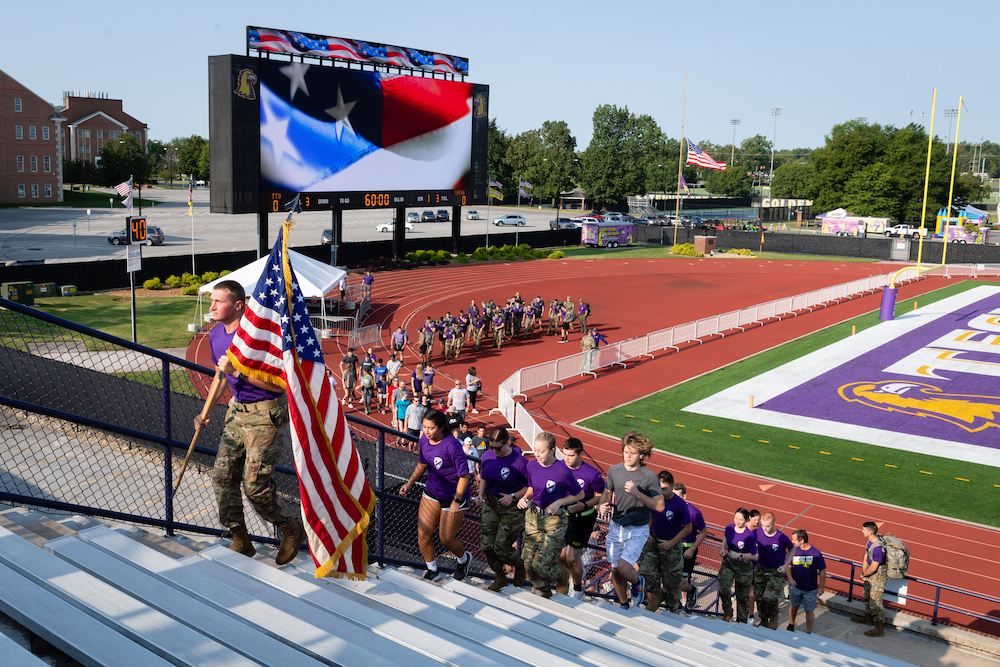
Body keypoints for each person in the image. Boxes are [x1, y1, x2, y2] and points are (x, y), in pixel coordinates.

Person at [193, 280, 304, 565]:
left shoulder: (259, 337)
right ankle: (240, 539)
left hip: (266, 415)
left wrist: (240, 374)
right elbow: (221, 375)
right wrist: (204, 413)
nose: (212, 306)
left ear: (238, 305)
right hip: (236, 412)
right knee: (221, 478)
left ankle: (290, 527)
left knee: (254, 486)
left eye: (219, 301)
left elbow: (281, 386)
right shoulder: (216, 336)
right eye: (212, 301)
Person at [398, 409, 472, 581]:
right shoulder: (424, 439)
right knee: (423, 535)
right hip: (432, 492)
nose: (426, 431)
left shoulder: (452, 446)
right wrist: (410, 483)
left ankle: (463, 559)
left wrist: (456, 501)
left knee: (446, 540)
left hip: (454, 496)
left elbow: (464, 475)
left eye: (430, 428)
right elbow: (422, 464)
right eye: (424, 427)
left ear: (441, 428)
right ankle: (433, 570)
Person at [597, 431, 664, 608]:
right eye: (625, 452)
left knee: (624, 568)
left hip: (638, 529)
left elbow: (659, 506)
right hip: (617, 526)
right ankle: (624, 605)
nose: (628, 456)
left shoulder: (649, 477)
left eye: (632, 453)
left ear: (641, 455)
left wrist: (638, 493)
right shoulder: (614, 471)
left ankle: (637, 582)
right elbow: (607, 492)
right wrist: (602, 504)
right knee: (615, 570)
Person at [517, 432, 584, 598]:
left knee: (541, 565)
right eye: (535, 450)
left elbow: (580, 495)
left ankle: (562, 575)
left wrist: (560, 501)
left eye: (541, 451)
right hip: (534, 517)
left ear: (552, 450)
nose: (537, 455)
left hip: (555, 520)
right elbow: (532, 488)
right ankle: (545, 592)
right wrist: (524, 498)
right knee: (527, 564)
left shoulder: (563, 471)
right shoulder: (531, 466)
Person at [478, 428, 529, 592]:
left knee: (501, 547)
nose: (495, 451)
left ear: (507, 443)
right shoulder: (487, 456)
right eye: (491, 447)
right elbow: (484, 477)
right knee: (486, 545)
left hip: (511, 508)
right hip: (491, 503)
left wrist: (513, 496)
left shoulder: (520, 462)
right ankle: (500, 577)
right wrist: (480, 494)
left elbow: (530, 486)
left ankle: (519, 565)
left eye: (498, 448)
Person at [638, 470, 693, 613]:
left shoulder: (680, 505)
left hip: (671, 546)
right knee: (646, 573)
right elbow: (651, 517)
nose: (661, 492)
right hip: (654, 542)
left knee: (672, 585)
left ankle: (673, 611)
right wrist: (648, 532)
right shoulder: (655, 498)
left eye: (664, 489)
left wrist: (671, 543)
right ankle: (655, 598)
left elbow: (688, 528)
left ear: (672, 486)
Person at [558, 437, 605, 599]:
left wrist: (584, 505)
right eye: (564, 454)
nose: (566, 459)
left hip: (583, 518)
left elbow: (601, 495)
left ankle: (578, 588)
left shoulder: (592, 474)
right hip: (563, 517)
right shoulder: (559, 467)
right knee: (558, 554)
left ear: (580, 454)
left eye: (570, 455)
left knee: (571, 558)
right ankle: (578, 571)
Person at [753, 512, 794, 629]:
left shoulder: (781, 537)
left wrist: (786, 565)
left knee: (770, 598)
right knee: (759, 598)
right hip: (760, 569)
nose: (765, 528)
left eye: (768, 526)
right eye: (763, 525)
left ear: (774, 524)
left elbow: (792, 549)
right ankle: (764, 620)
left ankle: (773, 621)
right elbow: (748, 540)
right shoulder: (757, 532)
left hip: (775, 571)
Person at [718, 508, 758, 623]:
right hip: (729, 562)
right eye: (736, 518)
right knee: (723, 588)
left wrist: (740, 555)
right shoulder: (729, 527)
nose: (737, 521)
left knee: (742, 596)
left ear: (746, 520)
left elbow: (754, 556)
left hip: (744, 567)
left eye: (740, 520)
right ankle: (728, 612)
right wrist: (722, 548)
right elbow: (726, 537)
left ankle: (741, 621)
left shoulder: (749, 535)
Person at [674, 482, 708, 611]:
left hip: (687, 550)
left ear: (684, 496)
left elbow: (703, 532)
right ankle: (675, 603)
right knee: (668, 577)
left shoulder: (694, 512)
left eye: (678, 496)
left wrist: (692, 549)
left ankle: (692, 590)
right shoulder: (669, 508)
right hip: (672, 547)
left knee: (681, 582)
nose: (675, 499)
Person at [786, 529, 826, 634]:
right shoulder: (792, 551)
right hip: (795, 587)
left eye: (794, 540)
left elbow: (822, 570)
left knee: (809, 611)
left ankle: (808, 632)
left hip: (810, 589)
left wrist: (821, 587)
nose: (792, 542)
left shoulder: (816, 553)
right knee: (793, 606)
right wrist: (790, 579)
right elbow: (788, 566)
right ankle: (791, 624)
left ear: (802, 541)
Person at [853, 521, 888, 637]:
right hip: (869, 574)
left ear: (870, 532)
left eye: (864, 530)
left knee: (875, 603)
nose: (862, 531)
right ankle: (867, 619)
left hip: (877, 577)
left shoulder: (878, 548)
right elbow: (866, 555)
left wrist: (864, 575)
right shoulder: (870, 541)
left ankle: (879, 628)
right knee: (867, 598)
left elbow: (874, 568)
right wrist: (864, 572)